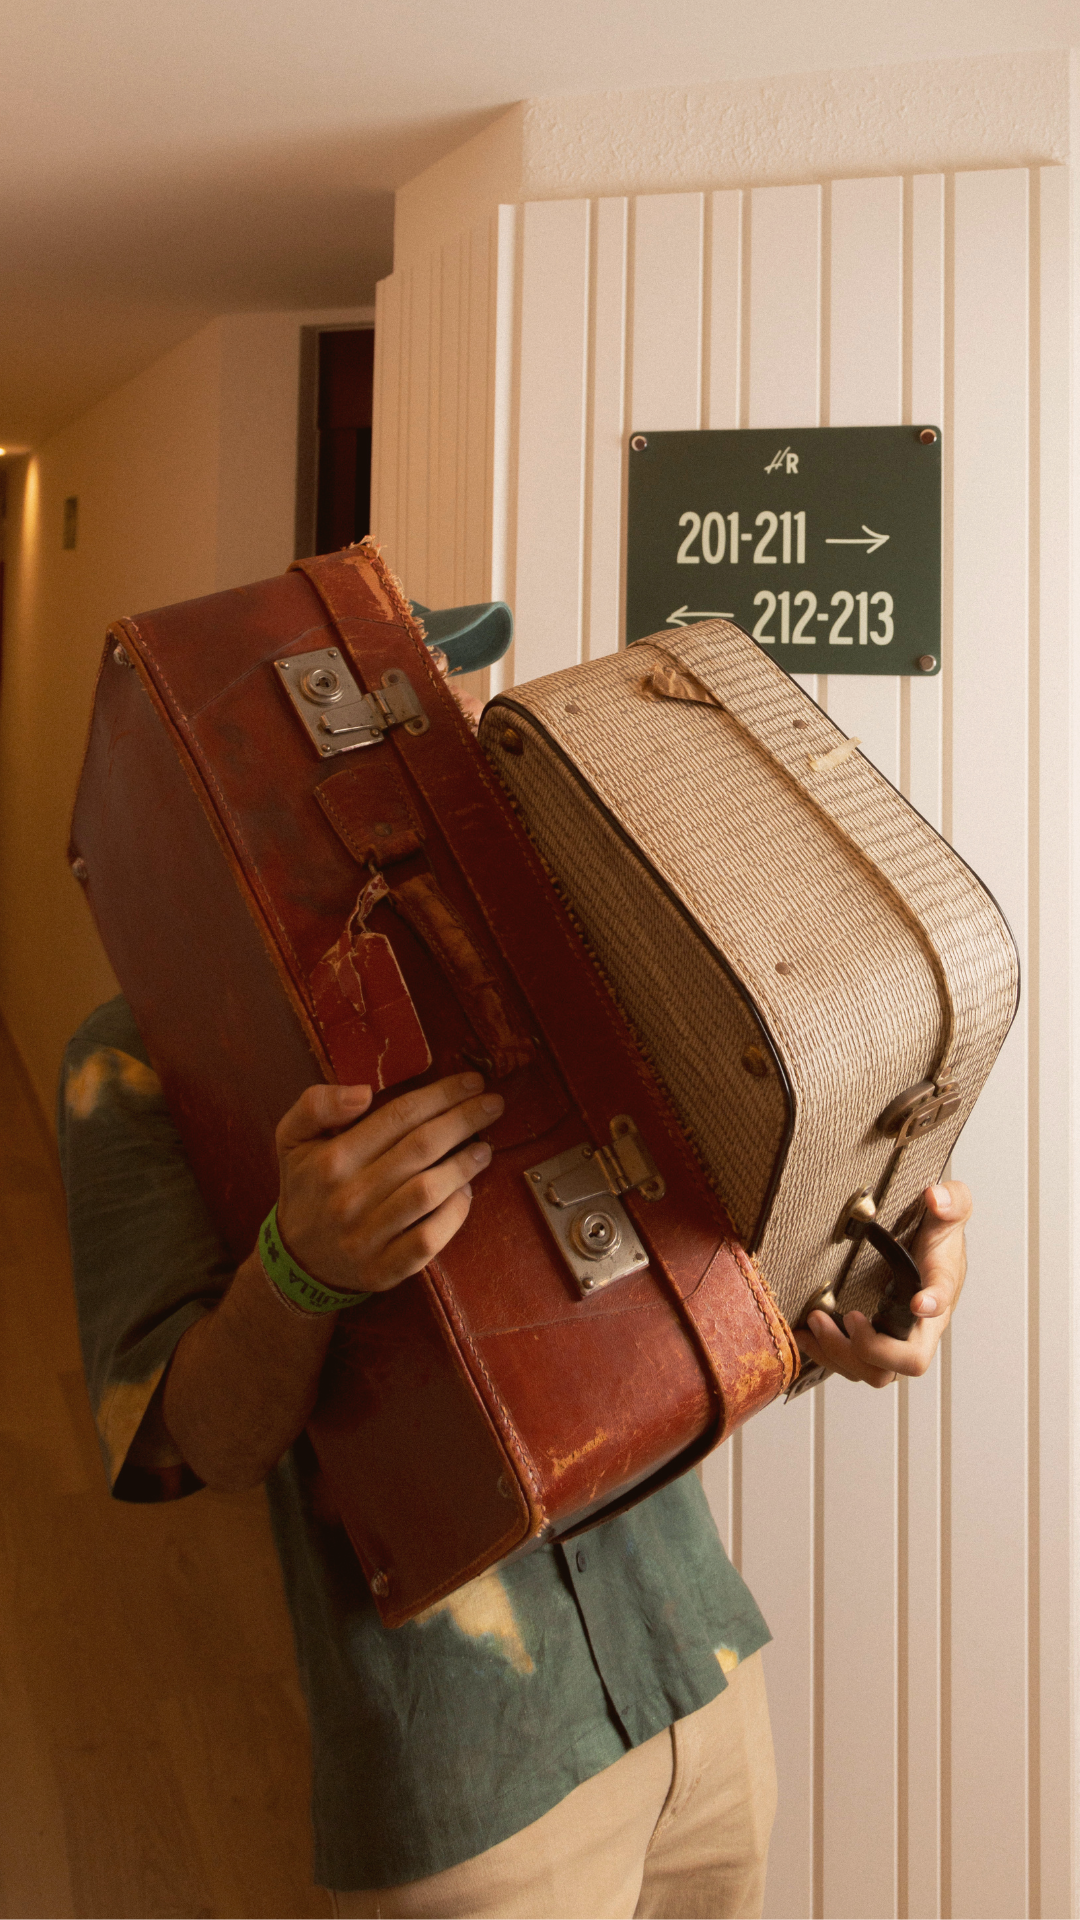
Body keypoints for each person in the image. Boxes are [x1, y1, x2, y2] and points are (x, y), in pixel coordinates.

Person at [59, 598, 972, 1920]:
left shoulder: (586, 963)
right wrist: (302, 1269)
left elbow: (704, 1278)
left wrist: (864, 1291)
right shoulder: (138, 1052)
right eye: (397, 701)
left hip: (702, 1678)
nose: (435, 721)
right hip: (465, 1768)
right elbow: (183, 1440)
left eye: (442, 686)